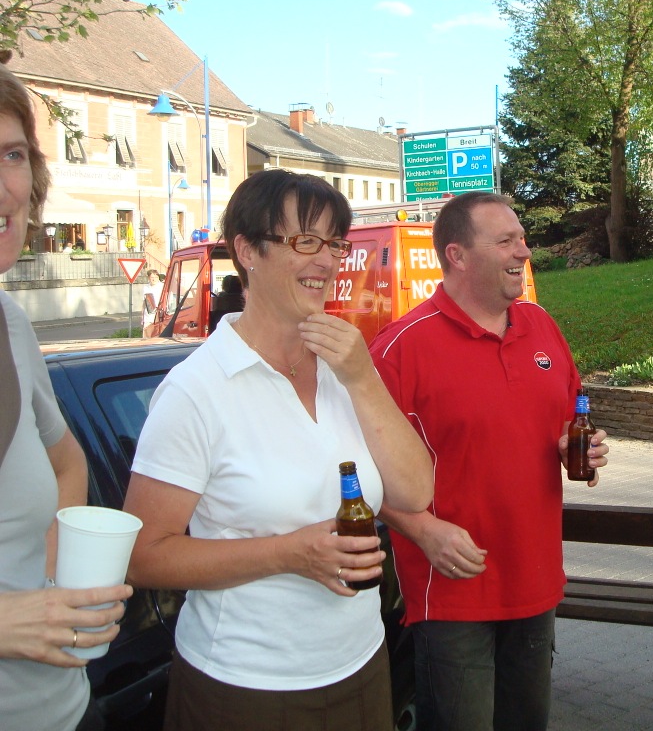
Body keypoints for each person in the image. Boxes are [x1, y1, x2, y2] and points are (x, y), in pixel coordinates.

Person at [122, 168, 433, 731]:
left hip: (361, 663)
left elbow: (415, 492)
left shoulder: (344, 367)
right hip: (246, 685)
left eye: (335, 243)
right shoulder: (196, 390)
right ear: (247, 251)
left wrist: (363, 379)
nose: (327, 261)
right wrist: (289, 554)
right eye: (305, 241)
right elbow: (142, 555)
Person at [369, 191, 610, 731]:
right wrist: (423, 530)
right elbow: (358, 474)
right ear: (457, 255)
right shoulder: (399, 348)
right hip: (453, 590)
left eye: (522, 238)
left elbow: (569, 418)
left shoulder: (540, 326)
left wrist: (579, 447)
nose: (524, 251)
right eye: (506, 241)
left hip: (535, 580)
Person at [0, 63, 132, 731]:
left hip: (64, 708)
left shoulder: (10, 324)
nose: (3, 184)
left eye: (12, 155)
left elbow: (67, 461)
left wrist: (55, 578)